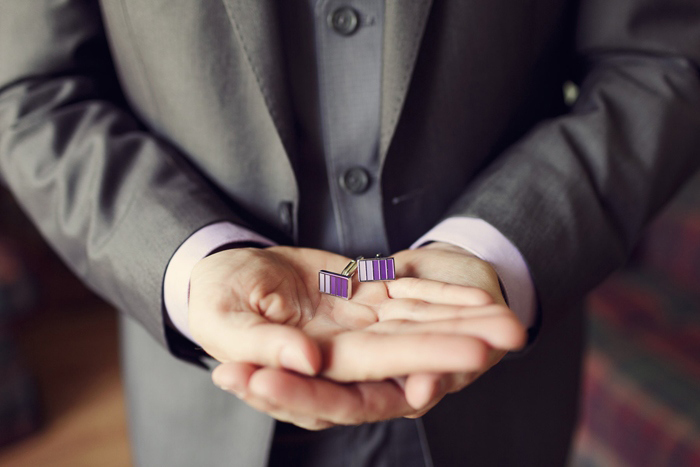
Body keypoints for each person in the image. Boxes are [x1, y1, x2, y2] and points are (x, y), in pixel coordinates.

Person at [1, 1, 699, 466]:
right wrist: (193, 263)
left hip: (496, 409)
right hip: (205, 410)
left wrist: (498, 246)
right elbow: (28, 90)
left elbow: (661, 60)